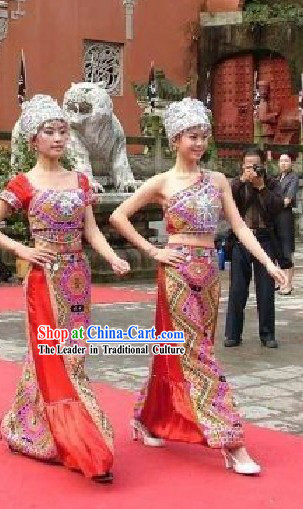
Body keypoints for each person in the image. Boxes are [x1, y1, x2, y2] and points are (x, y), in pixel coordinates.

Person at [109, 98, 285, 475]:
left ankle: (147, 418)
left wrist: (270, 264)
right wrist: (153, 251)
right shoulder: (162, 182)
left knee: (179, 350)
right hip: (175, 270)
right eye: (192, 136)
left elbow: (238, 228)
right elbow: (118, 215)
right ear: (175, 139)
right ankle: (231, 440)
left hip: (209, 274)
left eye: (204, 136)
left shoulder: (218, 180)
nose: (199, 143)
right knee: (199, 354)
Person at [0, 94, 129, 483]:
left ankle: (34, 426)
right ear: (33, 139)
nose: (59, 137)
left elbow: (91, 229)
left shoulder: (80, 180)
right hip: (42, 280)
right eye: (50, 131)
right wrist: (23, 248)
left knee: (73, 356)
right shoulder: (23, 183)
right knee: (53, 357)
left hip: (78, 278)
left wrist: (112, 257)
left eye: (63, 130)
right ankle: (84, 443)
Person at [225, 149, 284, 348]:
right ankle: (233, 334)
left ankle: (267, 334)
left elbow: (277, 207)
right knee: (237, 290)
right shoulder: (236, 184)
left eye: (256, 166)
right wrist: (243, 181)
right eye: (248, 166)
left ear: (263, 166)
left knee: (266, 290)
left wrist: (261, 188)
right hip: (241, 242)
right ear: (243, 166)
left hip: (265, 240)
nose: (252, 170)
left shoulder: (272, 183)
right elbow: (227, 202)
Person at [274, 153, 299, 295]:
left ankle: (288, 284)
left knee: (286, 248)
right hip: (275, 216)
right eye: (281, 160)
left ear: (291, 162)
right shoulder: (277, 178)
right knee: (277, 248)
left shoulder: (293, 177)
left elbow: (287, 199)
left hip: (285, 215)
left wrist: (273, 204)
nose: (283, 163)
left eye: (286, 160)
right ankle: (281, 281)